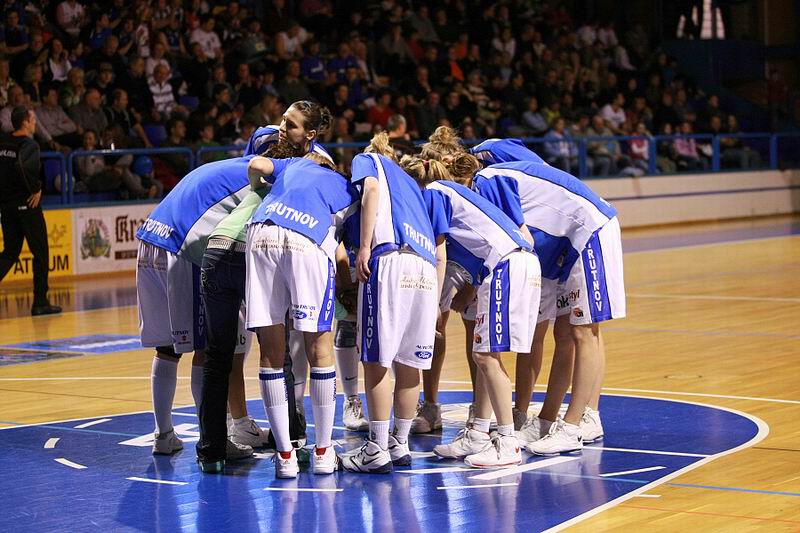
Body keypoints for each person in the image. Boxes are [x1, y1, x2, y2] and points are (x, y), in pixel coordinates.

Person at [471, 160, 626, 456]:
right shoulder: (487, 179)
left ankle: (575, 424)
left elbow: (523, 228)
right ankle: (546, 420)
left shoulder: (491, 167)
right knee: (565, 333)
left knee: (583, 332)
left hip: (587, 233)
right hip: (560, 245)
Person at [245, 150, 360, 479]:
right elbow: (346, 250)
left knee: (270, 350)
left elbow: (255, 164)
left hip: (261, 231)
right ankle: (323, 452)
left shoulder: (292, 165)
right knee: (319, 347)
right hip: (307, 237)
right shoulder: (344, 186)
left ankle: (284, 456)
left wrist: (257, 187)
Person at [135, 155, 256, 461]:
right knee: (206, 349)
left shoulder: (228, 168)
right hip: (183, 247)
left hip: (151, 236)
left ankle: (163, 435)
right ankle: (214, 437)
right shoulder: (263, 178)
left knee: (167, 348)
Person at [339, 133, 446, 474]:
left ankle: (376, 448)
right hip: (424, 269)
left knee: (376, 360)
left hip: (390, 259)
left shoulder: (369, 160)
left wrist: (365, 246)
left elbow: (370, 190)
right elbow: (439, 250)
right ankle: (399, 444)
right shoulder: (412, 183)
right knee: (409, 362)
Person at [0, 107, 61, 316]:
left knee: (10, 253)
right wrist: (36, 188)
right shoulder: (29, 145)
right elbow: (23, 168)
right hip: (27, 205)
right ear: (25, 122)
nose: (35, 122)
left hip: (7, 206)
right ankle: (40, 302)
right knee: (40, 252)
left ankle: (41, 302)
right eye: (33, 119)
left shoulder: (3, 142)